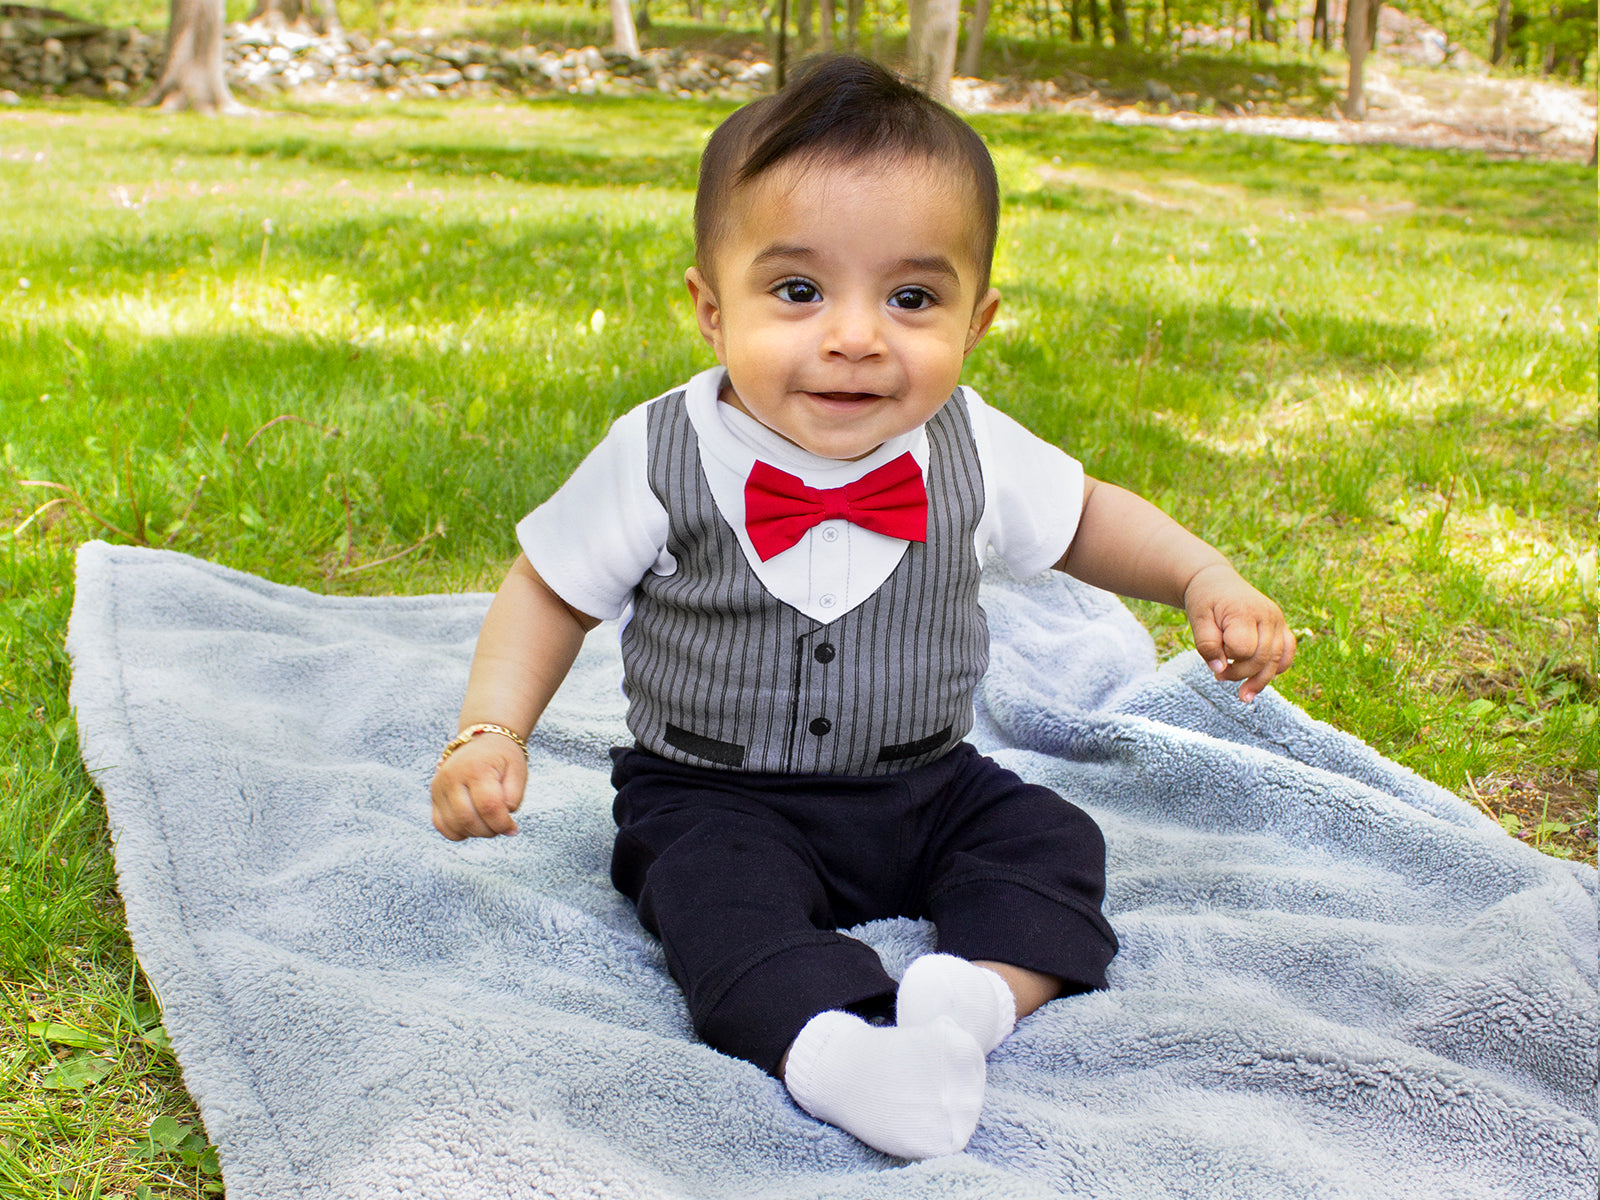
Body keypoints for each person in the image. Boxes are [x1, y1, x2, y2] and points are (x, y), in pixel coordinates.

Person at [430, 53, 1295, 1160]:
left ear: (975, 322)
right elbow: (548, 591)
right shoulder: (656, 453)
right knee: (705, 905)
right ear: (709, 306)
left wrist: (1200, 577)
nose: (854, 336)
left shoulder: (968, 443)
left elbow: (1086, 518)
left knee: (1049, 839)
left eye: (911, 298)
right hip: (714, 791)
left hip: (925, 783)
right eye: (797, 291)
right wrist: (493, 728)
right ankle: (836, 1051)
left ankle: (976, 1000)